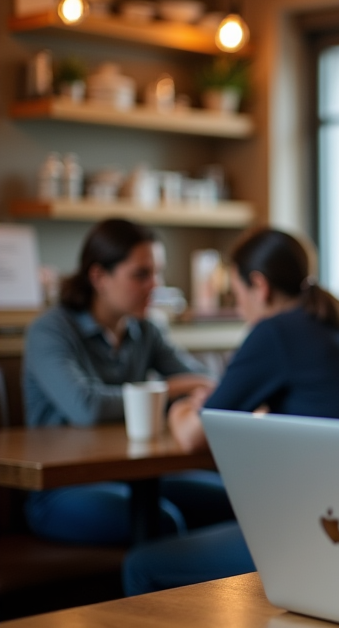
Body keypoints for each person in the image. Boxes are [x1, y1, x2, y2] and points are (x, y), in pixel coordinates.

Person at [122, 228, 339, 595]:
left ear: (259, 285)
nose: (239, 306)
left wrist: (181, 407)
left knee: (142, 565)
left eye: (237, 293)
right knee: (190, 500)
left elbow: (192, 436)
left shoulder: (274, 332)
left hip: (332, 535)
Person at [22, 218, 227, 545]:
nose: (155, 285)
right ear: (98, 276)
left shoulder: (145, 329)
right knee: (163, 522)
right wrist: (170, 389)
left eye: (157, 273)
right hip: (60, 490)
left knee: (237, 500)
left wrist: (207, 387)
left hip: (135, 476)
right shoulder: (50, 330)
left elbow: (200, 378)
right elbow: (86, 407)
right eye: (141, 274)